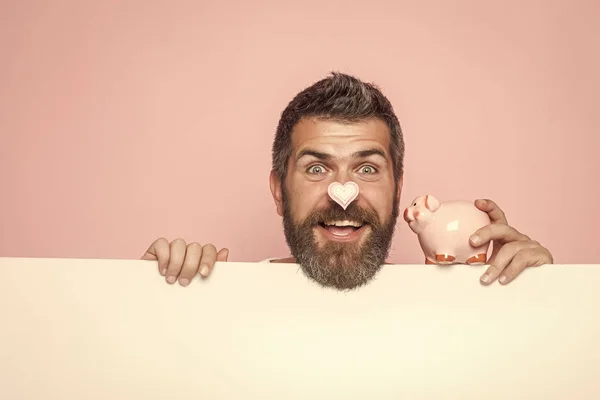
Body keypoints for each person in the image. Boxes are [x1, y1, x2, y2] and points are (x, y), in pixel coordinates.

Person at [141, 72, 553, 290]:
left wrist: (540, 298)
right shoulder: (215, 300)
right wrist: (146, 299)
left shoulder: (459, 305)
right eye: (317, 168)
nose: (344, 195)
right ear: (278, 191)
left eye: (368, 168)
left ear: (398, 189)